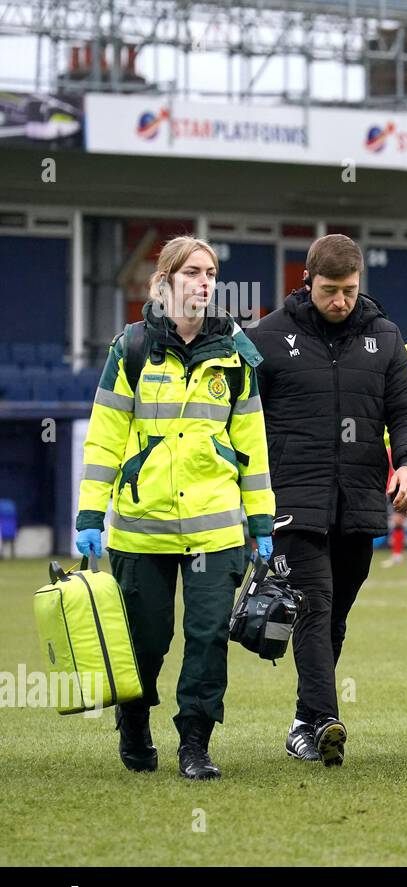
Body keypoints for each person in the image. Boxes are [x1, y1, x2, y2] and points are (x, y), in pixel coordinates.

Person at [75, 235, 275, 780]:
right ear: (164, 281)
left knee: (209, 636)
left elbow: (253, 444)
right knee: (147, 640)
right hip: (143, 528)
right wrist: (91, 514)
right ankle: (134, 722)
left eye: (210, 272)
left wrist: (260, 520)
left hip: (215, 528)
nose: (204, 281)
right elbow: (105, 438)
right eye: (191, 272)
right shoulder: (132, 348)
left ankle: (195, 743)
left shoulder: (237, 355)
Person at [247, 234, 407, 766]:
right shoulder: (268, 337)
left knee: (335, 616)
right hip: (293, 501)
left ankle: (303, 723)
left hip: (359, 502)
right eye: (330, 291)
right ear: (307, 282)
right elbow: (243, 417)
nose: (341, 301)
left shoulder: (386, 337)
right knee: (313, 605)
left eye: (349, 291)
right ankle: (325, 718)